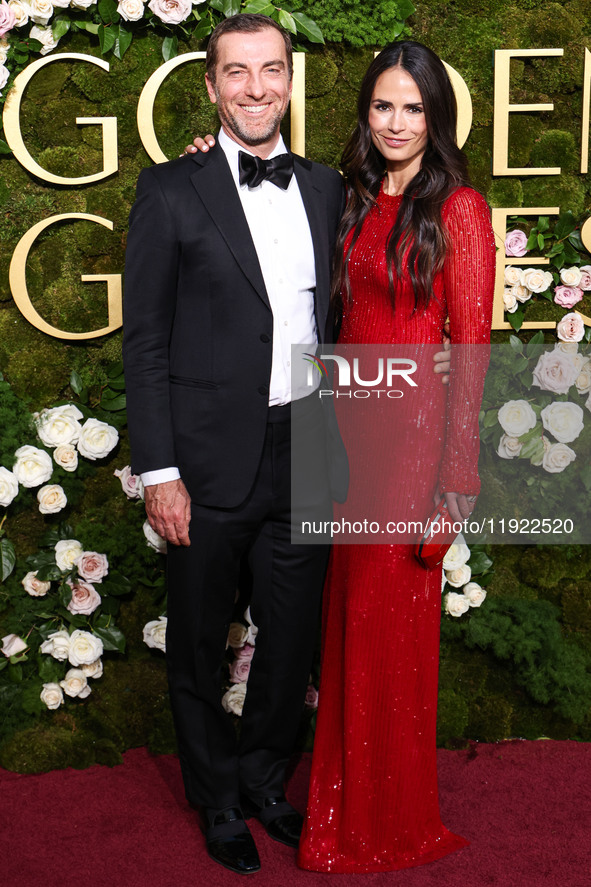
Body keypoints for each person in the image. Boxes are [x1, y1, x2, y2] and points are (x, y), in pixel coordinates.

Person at [123, 14, 346, 875]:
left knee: (289, 642)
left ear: (291, 81)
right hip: (205, 460)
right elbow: (143, 342)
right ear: (211, 85)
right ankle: (215, 800)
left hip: (306, 448)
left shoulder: (326, 188)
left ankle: (262, 783)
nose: (256, 88)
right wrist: (160, 470)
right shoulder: (169, 191)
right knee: (196, 642)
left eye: (271, 70)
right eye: (237, 72)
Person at [295, 41, 496, 872]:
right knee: (348, 624)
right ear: (365, 112)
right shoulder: (345, 198)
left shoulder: (459, 210)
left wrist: (457, 479)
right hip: (347, 436)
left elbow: (473, 349)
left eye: (413, 108)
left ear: (436, 117)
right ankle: (342, 803)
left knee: (388, 628)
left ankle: (388, 818)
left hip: (413, 446)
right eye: (383, 105)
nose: (396, 122)